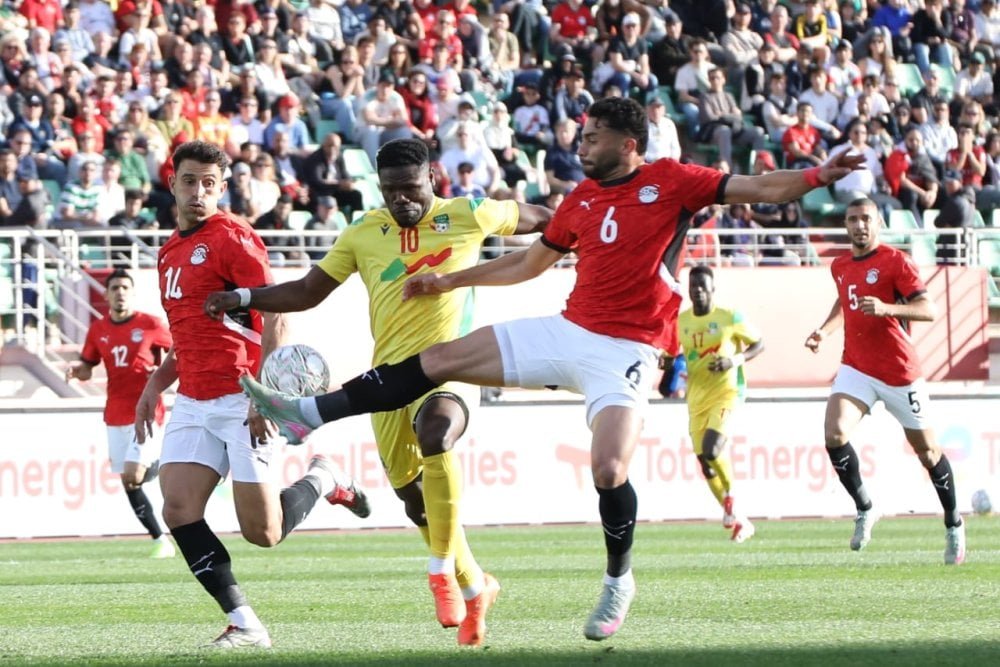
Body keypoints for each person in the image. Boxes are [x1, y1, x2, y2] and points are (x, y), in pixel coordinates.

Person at [236, 97, 865, 641]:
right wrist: (451, 279)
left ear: (627, 143)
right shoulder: (581, 200)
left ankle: (618, 579)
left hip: (627, 350)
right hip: (568, 330)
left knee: (609, 467)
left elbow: (760, 188)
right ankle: (307, 415)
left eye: (590, 137)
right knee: (438, 360)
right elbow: (530, 264)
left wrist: (815, 177)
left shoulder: (674, 180)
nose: (580, 145)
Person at [205, 138, 550, 646]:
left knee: (438, 432)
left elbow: (544, 217)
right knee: (415, 504)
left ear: (432, 178)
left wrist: (584, 230)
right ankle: (476, 585)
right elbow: (307, 291)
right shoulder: (365, 230)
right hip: (387, 382)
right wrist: (243, 296)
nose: (401, 201)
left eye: (410, 189)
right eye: (391, 191)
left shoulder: (472, 213)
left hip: (453, 367)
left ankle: (439, 574)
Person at [132, 141, 370, 649]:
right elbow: (188, 331)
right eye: (190, 181)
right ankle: (245, 622)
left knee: (263, 532)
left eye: (210, 184)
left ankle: (324, 477)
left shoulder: (234, 238)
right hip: (194, 400)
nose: (199, 192)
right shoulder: (169, 249)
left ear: (223, 188)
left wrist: (264, 397)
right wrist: (155, 384)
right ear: (172, 183)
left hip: (243, 397)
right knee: (177, 508)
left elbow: (276, 313)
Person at [804, 198, 966, 565]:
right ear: (845, 225)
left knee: (927, 452)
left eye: (865, 219)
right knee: (834, 433)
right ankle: (866, 507)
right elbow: (846, 303)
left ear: (877, 223)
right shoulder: (840, 265)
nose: (859, 225)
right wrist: (824, 332)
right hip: (857, 366)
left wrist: (888, 307)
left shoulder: (896, 262)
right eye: (852, 219)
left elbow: (929, 309)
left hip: (899, 372)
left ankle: (954, 523)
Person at [65, 269, 176, 559]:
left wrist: (160, 374)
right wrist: (79, 371)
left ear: (132, 292)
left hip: (148, 411)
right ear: (106, 294)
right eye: (115, 287)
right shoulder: (98, 329)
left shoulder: (150, 324)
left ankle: (173, 464)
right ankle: (159, 540)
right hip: (115, 413)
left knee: (132, 472)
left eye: (125, 287)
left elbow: (179, 352)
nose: (120, 292)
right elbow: (89, 365)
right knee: (129, 480)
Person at [677, 265, 763, 543]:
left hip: (727, 392)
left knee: (713, 448)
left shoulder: (729, 317)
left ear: (713, 289)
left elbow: (758, 343)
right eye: (693, 287)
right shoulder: (682, 322)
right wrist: (666, 363)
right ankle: (739, 519)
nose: (698, 292)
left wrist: (733, 360)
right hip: (696, 397)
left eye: (703, 287)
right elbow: (676, 355)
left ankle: (732, 498)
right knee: (705, 463)